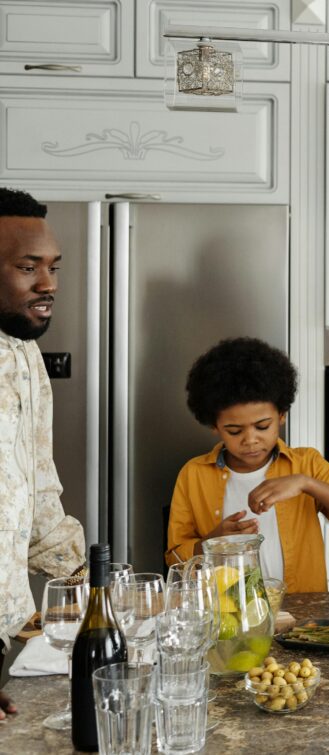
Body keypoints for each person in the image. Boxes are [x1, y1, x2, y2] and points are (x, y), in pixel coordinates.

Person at [166, 337, 329, 593]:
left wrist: (305, 483)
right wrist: (214, 543)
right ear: (214, 426)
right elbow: (175, 559)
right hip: (224, 614)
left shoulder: (305, 464)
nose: (250, 440)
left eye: (262, 426)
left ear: (282, 415)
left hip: (301, 613)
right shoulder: (193, 475)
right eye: (234, 431)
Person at [0, 187, 86, 720]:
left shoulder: (26, 357)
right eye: (27, 267)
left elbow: (36, 491)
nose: (48, 284)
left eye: (53, 266)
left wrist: (92, 588)